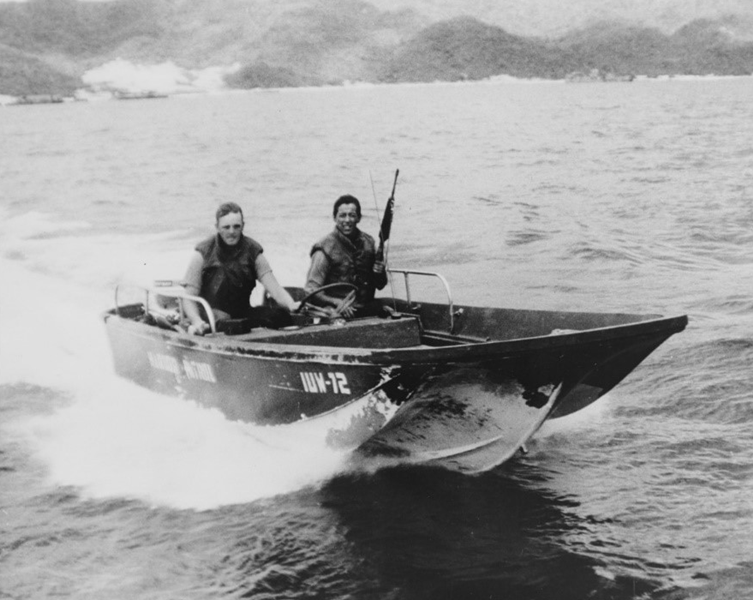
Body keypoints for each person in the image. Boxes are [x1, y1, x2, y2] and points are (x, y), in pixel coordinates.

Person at [182, 202, 299, 334]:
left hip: (240, 313)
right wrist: (197, 321)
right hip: (209, 314)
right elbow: (188, 298)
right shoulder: (202, 253)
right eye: (226, 227)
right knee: (225, 320)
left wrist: (291, 304)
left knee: (280, 316)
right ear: (217, 227)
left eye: (236, 227)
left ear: (243, 226)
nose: (231, 232)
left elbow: (275, 289)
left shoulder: (253, 251)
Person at [304, 194, 388, 318]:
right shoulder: (325, 248)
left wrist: (380, 272)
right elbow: (311, 290)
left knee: (396, 308)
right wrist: (338, 302)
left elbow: (380, 285)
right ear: (335, 218)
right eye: (342, 215)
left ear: (359, 218)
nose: (347, 220)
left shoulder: (369, 243)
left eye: (352, 215)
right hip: (335, 309)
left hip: (364, 307)